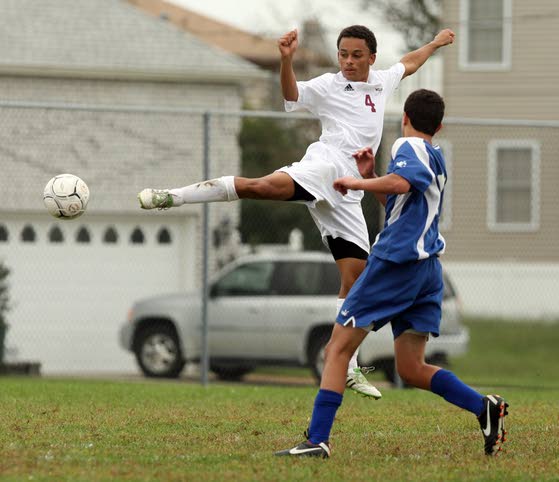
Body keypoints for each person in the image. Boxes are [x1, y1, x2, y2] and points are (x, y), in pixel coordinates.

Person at [137, 25, 455, 399]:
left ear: (371, 57)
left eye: (356, 55)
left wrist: (434, 43)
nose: (348, 62)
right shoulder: (329, 85)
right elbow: (292, 94)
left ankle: (348, 367)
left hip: (349, 193)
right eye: (343, 54)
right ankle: (172, 196)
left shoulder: (383, 81)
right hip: (326, 166)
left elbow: (409, 62)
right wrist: (286, 61)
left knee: (355, 279)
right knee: (262, 187)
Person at [274, 89, 509, 459]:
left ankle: (317, 440)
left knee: (336, 348)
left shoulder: (408, 145)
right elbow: (402, 200)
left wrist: (357, 183)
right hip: (427, 271)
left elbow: (401, 184)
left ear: (405, 118)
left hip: (395, 266)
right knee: (411, 368)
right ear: (441, 126)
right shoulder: (436, 156)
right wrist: (372, 176)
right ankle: (485, 407)